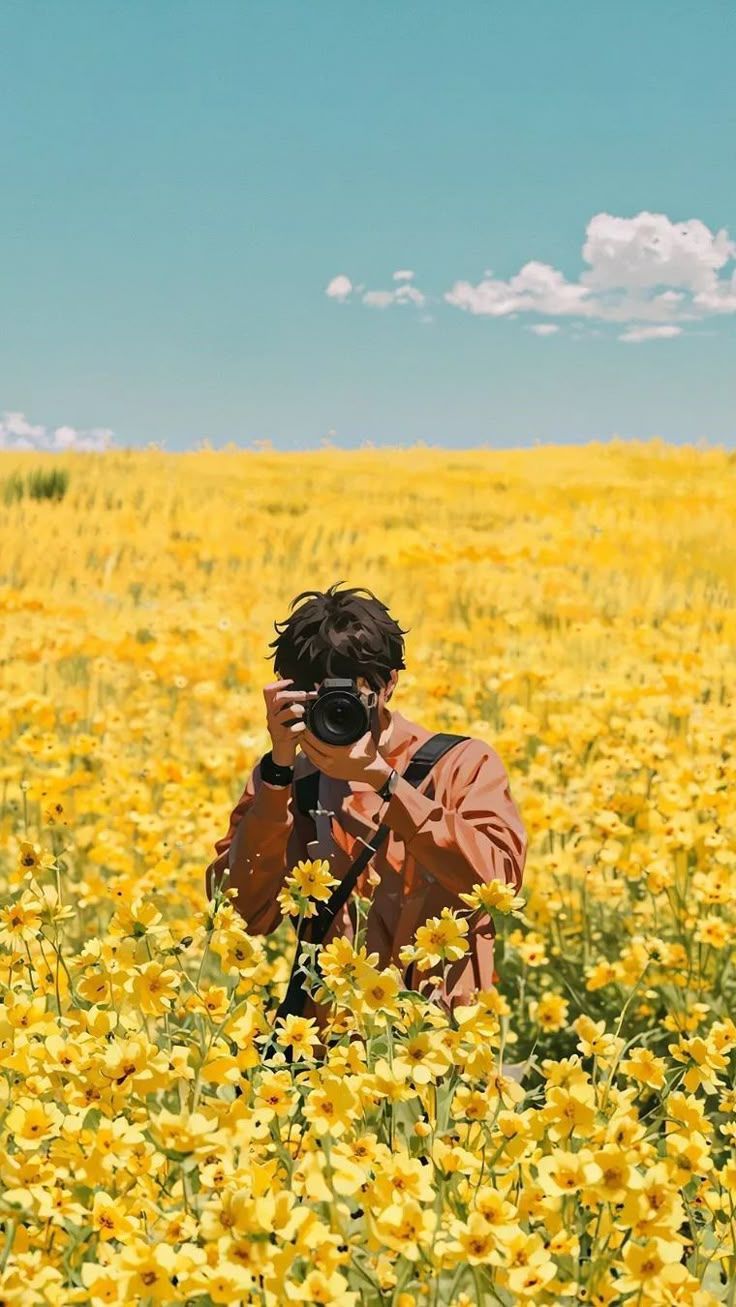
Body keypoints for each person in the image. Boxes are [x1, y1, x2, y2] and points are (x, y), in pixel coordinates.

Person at [205, 582, 528, 1033]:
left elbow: (499, 884)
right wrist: (278, 774)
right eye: (316, 698)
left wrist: (385, 782)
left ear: (389, 683)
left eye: (347, 697)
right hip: (326, 1049)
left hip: (439, 1043)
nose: (334, 712)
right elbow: (242, 914)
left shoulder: (461, 765)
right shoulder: (288, 780)